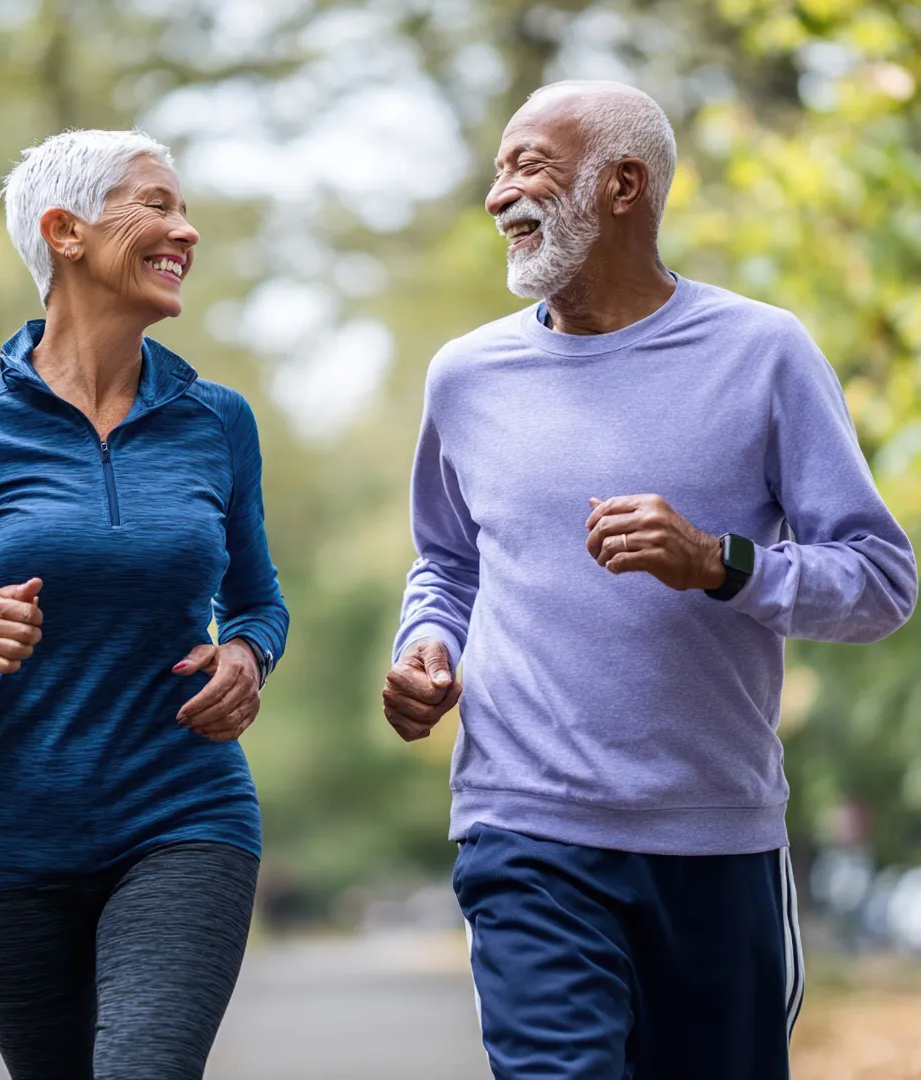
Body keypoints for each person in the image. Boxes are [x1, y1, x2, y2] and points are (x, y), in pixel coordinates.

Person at [384, 81, 917, 1079]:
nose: (499, 194)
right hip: (524, 829)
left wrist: (723, 563)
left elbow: (881, 580)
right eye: (498, 167)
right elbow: (449, 561)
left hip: (716, 838)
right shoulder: (467, 375)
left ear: (624, 183)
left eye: (527, 163)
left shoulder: (763, 354)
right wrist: (429, 647)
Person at [0, 129, 289, 1080]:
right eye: (157, 205)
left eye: (183, 207)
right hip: (13, 836)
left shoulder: (218, 422)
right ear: (66, 231)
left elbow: (257, 600)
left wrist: (248, 654)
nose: (187, 230)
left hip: (184, 812)